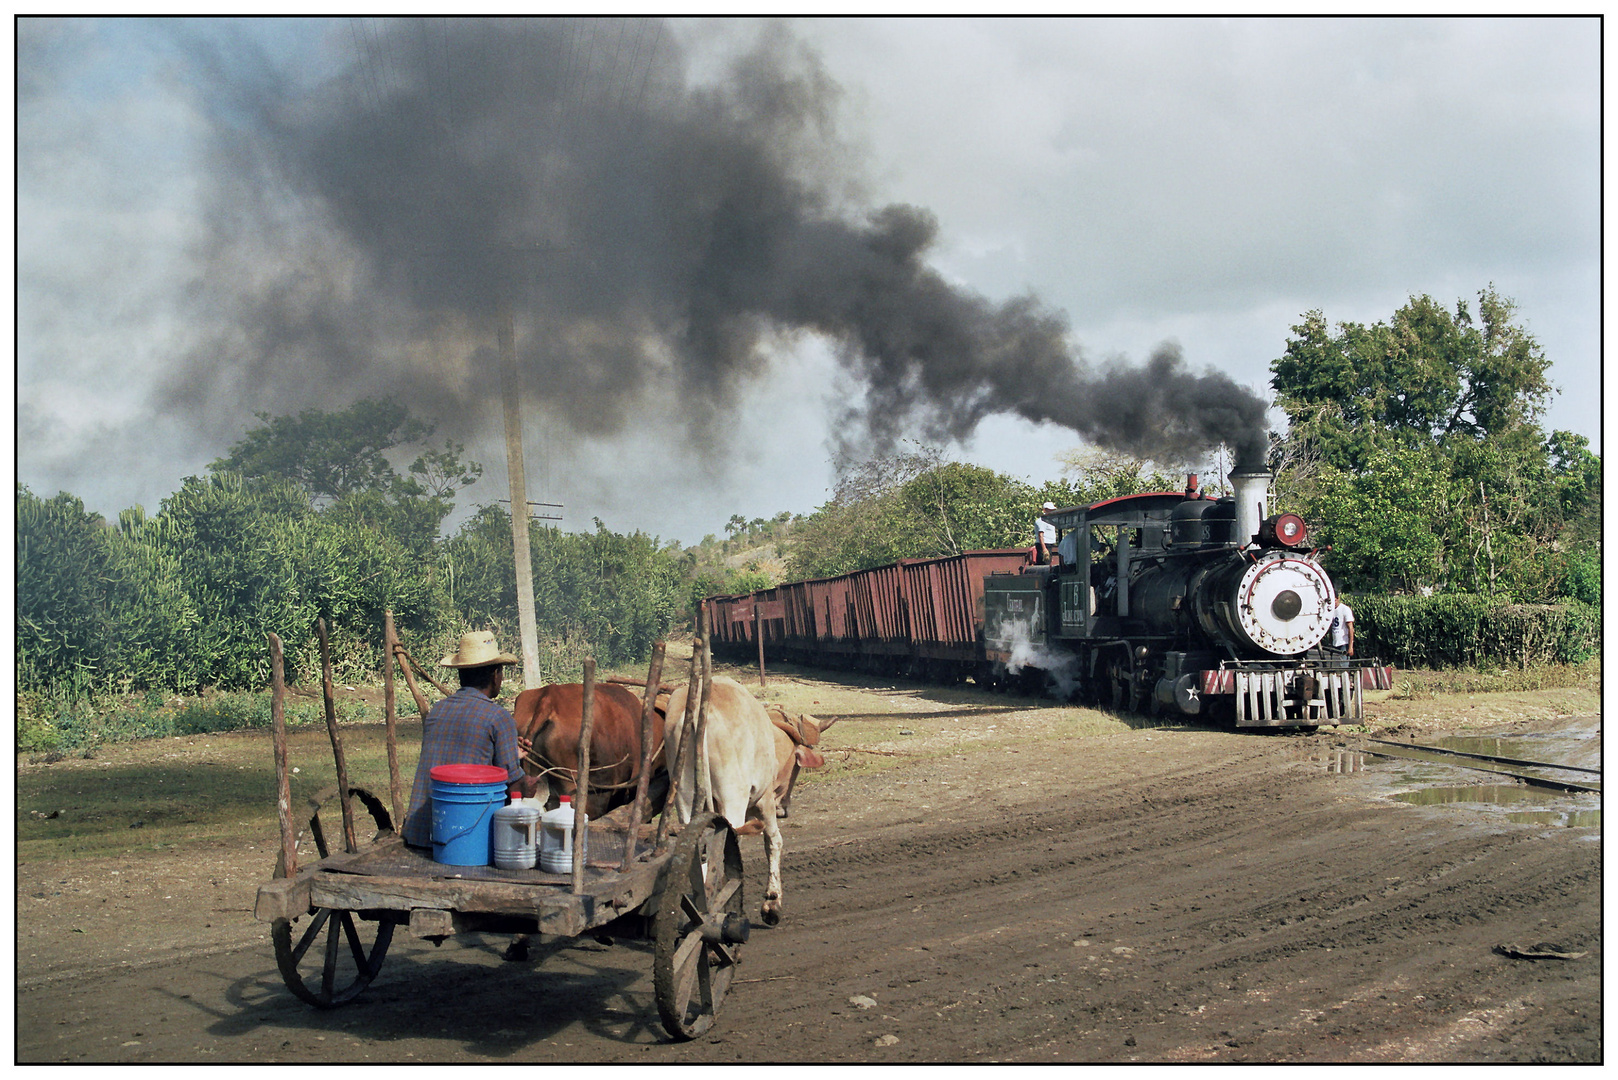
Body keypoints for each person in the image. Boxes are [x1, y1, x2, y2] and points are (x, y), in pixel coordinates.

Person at [402, 630, 543, 849]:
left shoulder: (437, 710)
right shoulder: (498, 717)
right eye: (501, 673)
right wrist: (529, 785)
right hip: (462, 841)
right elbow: (515, 787)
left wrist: (508, 755)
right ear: (495, 675)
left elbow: (458, 760)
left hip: (421, 833)